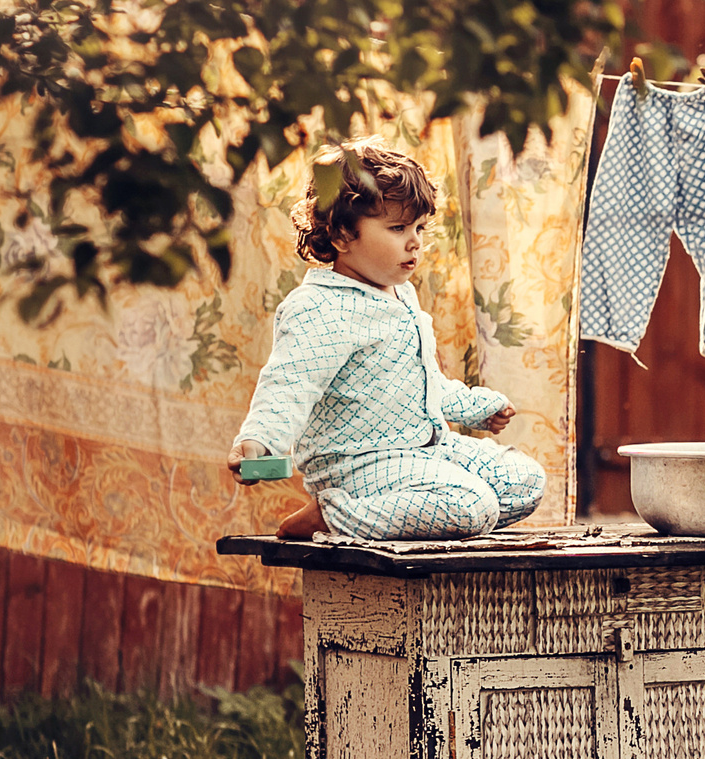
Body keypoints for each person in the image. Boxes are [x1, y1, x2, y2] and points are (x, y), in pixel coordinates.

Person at [227, 140, 545, 540]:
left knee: (525, 481)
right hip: (359, 465)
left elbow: (422, 384)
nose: (415, 242)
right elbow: (289, 384)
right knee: (473, 507)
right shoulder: (319, 308)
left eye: (419, 229)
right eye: (397, 228)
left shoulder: (400, 295)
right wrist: (258, 442)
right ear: (343, 236)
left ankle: (404, 511)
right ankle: (334, 515)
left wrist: (476, 408)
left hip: (426, 450)